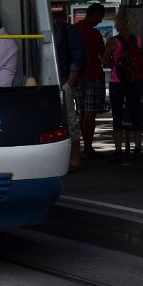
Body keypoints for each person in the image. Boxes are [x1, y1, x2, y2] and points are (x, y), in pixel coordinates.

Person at [102, 7, 143, 163]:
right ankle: (138, 149)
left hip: (117, 82)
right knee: (136, 115)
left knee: (117, 116)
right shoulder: (137, 40)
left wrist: (111, 61)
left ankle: (118, 151)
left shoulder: (112, 41)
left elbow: (105, 62)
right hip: (134, 82)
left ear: (118, 22)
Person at [53, 12, 85, 171]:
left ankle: (75, 158)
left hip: (63, 80)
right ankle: (68, 158)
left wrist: (70, 81)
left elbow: (78, 55)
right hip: (51, 81)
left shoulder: (66, 29)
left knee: (70, 119)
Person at [74, 3, 106, 159]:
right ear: (94, 14)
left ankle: (83, 144)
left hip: (77, 76)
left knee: (82, 111)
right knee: (90, 112)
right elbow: (103, 55)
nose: (99, 21)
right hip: (93, 75)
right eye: (99, 17)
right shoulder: (94, 34)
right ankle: (88, 146)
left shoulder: (74, 30)